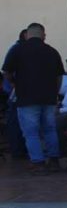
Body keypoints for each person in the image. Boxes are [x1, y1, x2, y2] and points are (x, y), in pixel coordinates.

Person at [2, 23, 65, 176]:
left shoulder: (18, 50)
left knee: (31, 132)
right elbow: (59, 76)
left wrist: (14, 84)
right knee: (50, 130)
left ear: (27, 35)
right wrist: (55, 93)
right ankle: (54, 160)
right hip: (49, 98)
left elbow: (6, 71)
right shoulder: (52, 51)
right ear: (43, 35)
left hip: (26, 98)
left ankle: (38, 162)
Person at [2, 29, 28, 159]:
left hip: (22, 92)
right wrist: (13, 84)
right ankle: (17, 150)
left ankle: (20, 150)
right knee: (15, 122)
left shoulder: (22, 50)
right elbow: (7, 71)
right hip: (15, 93)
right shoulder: (17, 50)